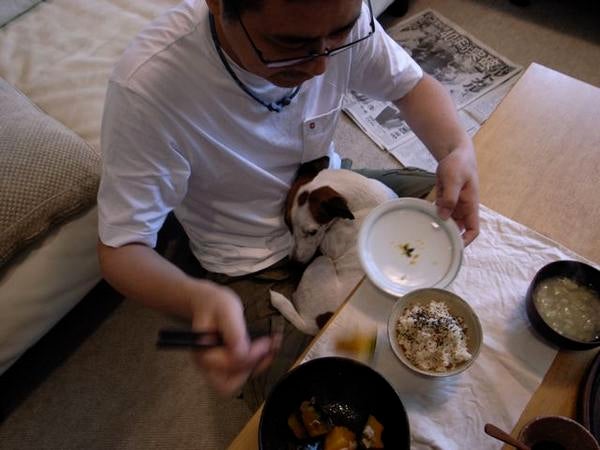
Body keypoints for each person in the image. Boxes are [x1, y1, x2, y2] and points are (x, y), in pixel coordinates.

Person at [97, 0, 479, 410]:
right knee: (321, 398)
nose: (320, 66)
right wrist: (199, 300)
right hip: (250, 260)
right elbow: (121, 248)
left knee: (448, 215)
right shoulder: (148, 89)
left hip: (328, 194)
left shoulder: (333, 15)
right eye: (290, 45)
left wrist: (457, 150)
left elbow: (410, 86)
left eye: (339, 37)